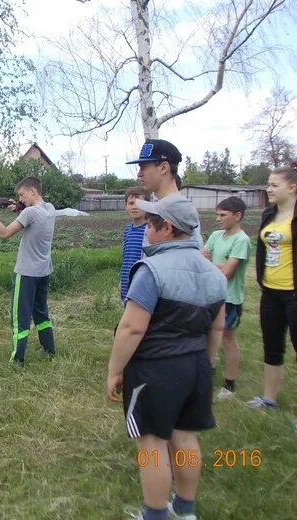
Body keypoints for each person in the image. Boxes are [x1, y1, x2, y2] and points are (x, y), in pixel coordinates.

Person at [106, 195, 227, 520]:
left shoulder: (151, 270)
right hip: (197, 367)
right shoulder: (214, 273)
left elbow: (131, 328)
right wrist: (208, 362)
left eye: (150, 223)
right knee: (185, 437)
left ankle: (155, 514)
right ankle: (185, 509)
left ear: (167, 228)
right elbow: (217, 325)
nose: (145, 228)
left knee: (151, 445)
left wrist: (115, 370)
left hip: (155, 372)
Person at [0, 176, 56, 366]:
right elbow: (33, 216)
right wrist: (19, 209)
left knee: (20, 319)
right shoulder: (50, 209)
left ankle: (17, 360)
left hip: (26, 273)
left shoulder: (29, 213)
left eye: (22, 195)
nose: (20, 199)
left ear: (33, 191)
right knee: (41, 314)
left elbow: (3, 234)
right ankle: (49, 350)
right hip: (43, 271)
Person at [248, 163, 297, 409]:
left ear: (292, 188)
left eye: (274, 185)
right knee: (272, 346)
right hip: (271, 293)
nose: (269, 189)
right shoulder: (269, 214)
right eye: (268, 184)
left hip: (294, 294)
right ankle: (269, 399)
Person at [201, 197, 251, 400]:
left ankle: (229, 384)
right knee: (207, 336)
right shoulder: (215, 235)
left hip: (230, 299)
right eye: (217, 214)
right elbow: (201, 258)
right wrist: (218, 263)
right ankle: (207, 372)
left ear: (237, 216)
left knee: (228, 339)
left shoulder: (242, 240)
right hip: (209, 296)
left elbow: (227, 272)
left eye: (222, 215)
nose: (218, 219)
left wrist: (213, 264)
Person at [126, 138, 203, 248]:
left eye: (143, 167)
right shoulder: (157, 207)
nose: (139, 174)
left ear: (163, 168)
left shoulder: (181, 212)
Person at [120, 186, 150, 302]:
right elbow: (125, 257)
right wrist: (121, 281)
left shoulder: (149, 230)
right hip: (126, 279)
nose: (134, 207)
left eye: (139, 203)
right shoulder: (128, 230)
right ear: (126, 206)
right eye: (131, 203)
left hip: (141, 280)